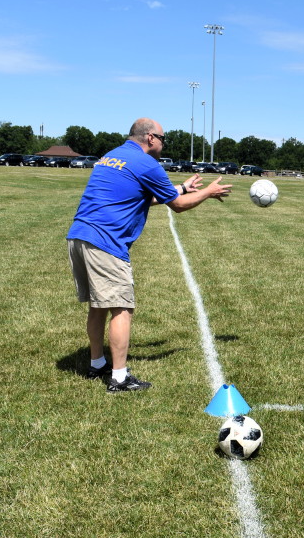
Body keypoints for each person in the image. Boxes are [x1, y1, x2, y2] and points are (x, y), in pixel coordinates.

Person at [67, 118, 231, 392]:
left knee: (98, 305)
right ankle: (119, 378)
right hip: (105, 241)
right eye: (163, 138)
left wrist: (181, 187)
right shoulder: (147, 164)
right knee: (121, 307)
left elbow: (140, 195)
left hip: (79, 235)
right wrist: (207, 192)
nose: (164, 143)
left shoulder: (113, 156)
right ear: (151, 138)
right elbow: (177, 206)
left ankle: (97, 364)